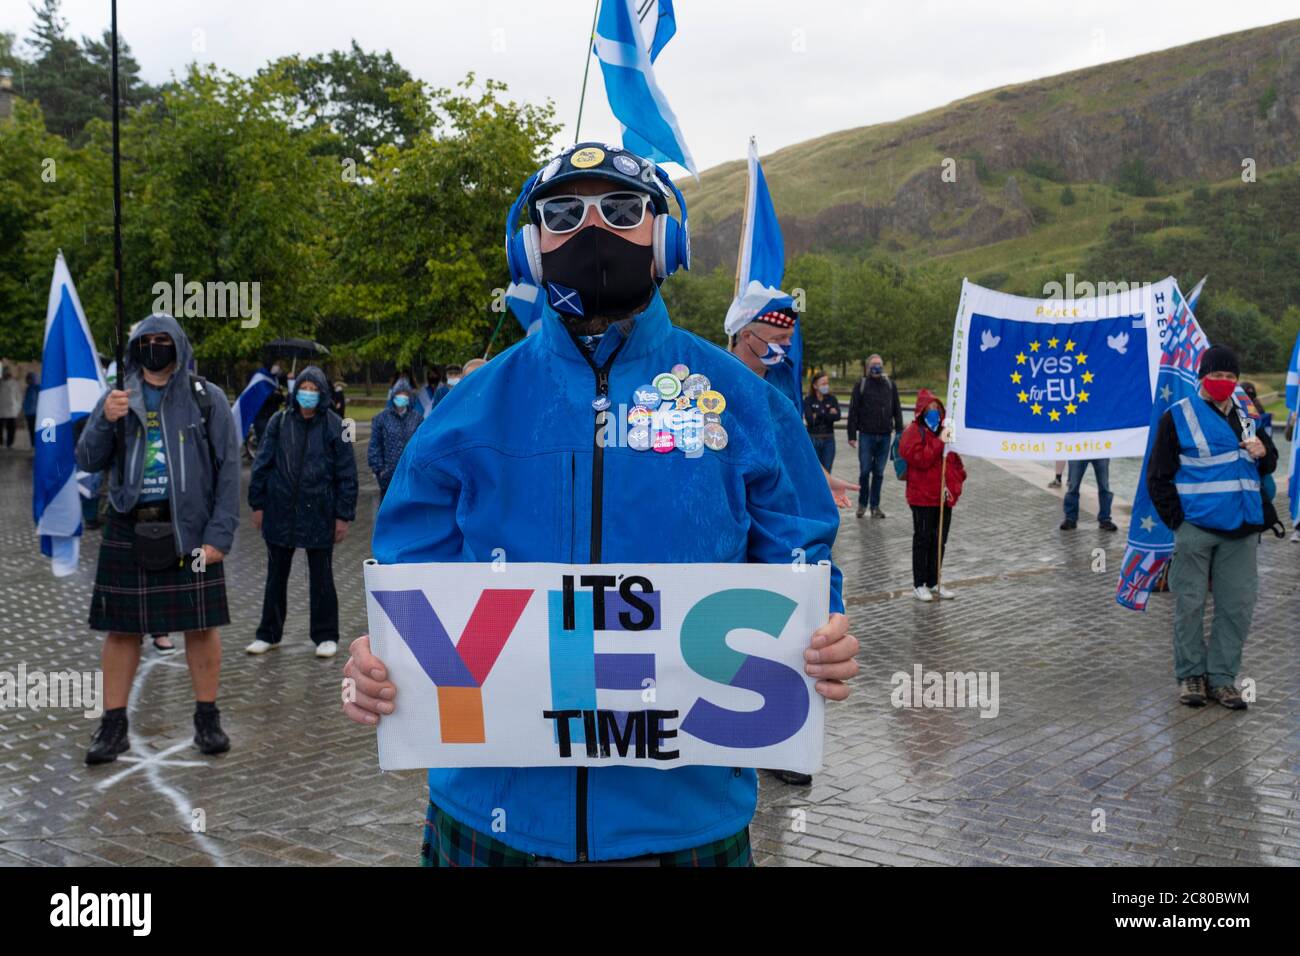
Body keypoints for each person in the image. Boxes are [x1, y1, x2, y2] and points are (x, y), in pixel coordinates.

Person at [342, 142, 857, 866]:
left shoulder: (747, 406)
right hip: (493, 820)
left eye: (621, 210)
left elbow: (800, 560)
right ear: (532, 247)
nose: (593, 230)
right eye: (563, 213)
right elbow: (409, 582)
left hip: (688, 822)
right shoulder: (467, 411)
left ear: (663, 241)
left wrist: (825, 628)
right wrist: (378, 658)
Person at [74, 314, 241, 763]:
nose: (154, 348)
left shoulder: (207, 399)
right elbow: (87, 458)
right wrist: (106, 420)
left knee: (201, 624)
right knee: (122, 628)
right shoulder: (118, 397)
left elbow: (228, 470)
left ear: (178, 346)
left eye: (162, 340)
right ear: (135, 350)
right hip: (129, 529)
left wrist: (219, 535)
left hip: (189, 535)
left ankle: (207, 720)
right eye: (145, 342)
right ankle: (113, 726)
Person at [1148, 346, 1278, 710]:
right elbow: (1158, 476)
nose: (1223, 382)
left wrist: (1263, 453)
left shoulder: (1246, 415)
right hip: (1197, 528)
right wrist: (1179, 523)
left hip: (1242, 528)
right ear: (1202, 376)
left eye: (1230, 377)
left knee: (1237, 606)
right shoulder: (1177, 416)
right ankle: (1190, 675)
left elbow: (1270, 463)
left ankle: (1222, 679)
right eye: (1217, 375)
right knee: (1189, 604)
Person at [246, 366, 358, 659]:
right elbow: (262, 465)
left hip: (320, 512)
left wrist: (343, 515)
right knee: (275, 576)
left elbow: (347, 474)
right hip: (279, 510)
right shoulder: (279, 422)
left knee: (322, 578)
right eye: (303, 388)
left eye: (314, 389)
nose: (308, 394)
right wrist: (257, 504)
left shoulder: (337, 425)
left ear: (322, 393)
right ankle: (268, 634)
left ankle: (326, 635)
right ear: (296, 392)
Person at [899, 388, 966, 602]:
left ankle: (934, 580)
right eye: (930, 409)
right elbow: (922, 458)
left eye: (937, 408)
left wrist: (957, 481)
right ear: (921, 411)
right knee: (923, 539)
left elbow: (953, 459)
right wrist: (939, 442)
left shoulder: (945, 430)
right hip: (921, 497)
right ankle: (919, 584)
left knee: (940, 540)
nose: (934, 412)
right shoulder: (913, 432)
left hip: (943, 497)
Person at [847, 354, 903, 519]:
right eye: (873, 365)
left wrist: (899, 431)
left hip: (885, 436)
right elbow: (853, 411)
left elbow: (897, 409)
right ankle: (862, 504)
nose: (876, 367)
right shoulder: (861, 385)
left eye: (879, 364)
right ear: (867, 367)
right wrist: (852, 435)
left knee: (878, 473)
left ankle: (875, 506)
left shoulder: (890, 385)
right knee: (865, 471)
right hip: (866, 435)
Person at [367, 377, 423, 501]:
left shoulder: (417, 419)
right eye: (398, 394)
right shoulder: (381, 418)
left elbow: (421, 445)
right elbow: (374, 445)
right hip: (388, 477)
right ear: (393, 396)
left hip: (410, 476)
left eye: (405, 394)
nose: (401, 397)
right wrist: (379, 470)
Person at [1060, 459, 1118, 531]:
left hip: (1100, 452)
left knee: (1104, 486)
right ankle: (1070, 518)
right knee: (1073, 487)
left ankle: (1105, 519)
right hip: (1080, 452)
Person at [804, 371, 840, 470]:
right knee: (814, 470)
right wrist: (828, 413)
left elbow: (837, 416)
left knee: (827, 471)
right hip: (813, 439)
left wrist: (818, 414)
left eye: (827, 383)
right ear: (815, 386)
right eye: (823, 384)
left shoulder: (832, 399)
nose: (826, 386)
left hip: (829, 439)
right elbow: (810, 420)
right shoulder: (808, 400)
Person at [0, 366, 22, 448]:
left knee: (11, 428)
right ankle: (1, 442)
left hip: (11, 409)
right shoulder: (1, 383)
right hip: (1, 409)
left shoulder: (15, 384)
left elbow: (18, 397)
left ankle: (10, 443)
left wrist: (17, 408)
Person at [22, 371, 39, 448]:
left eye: (29, 379)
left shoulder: (38, 388)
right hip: (29, 413)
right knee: (31, 429)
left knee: (36, 429)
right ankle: (33, 444)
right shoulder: (28, 388)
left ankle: (37, 444)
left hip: (36, 412)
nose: (27, 381)